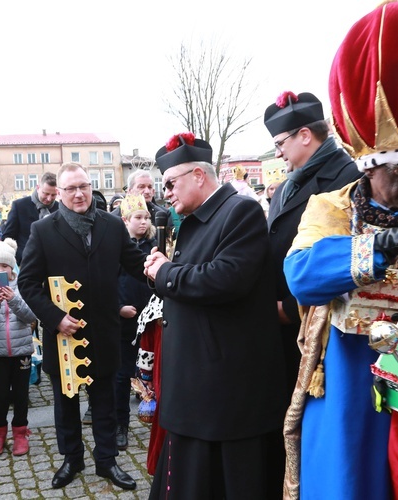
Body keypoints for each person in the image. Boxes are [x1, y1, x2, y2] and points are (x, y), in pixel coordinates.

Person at [282, 3, 398, 499]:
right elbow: (302, 275)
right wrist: (392, 241)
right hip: (348, 381)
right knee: (347, 482)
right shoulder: (331, 206)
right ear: (372, 167)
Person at [144, 133, 288, 499]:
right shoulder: (192, 219)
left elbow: (225, 279)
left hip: (225, 388)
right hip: (197, 384)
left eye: (171, 183)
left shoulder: (240, 211)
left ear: (198, 175)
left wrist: (164, 274)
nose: (167, 193)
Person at [18, 162, 146, 491]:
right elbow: (28, 283)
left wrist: (165, 271)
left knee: (104, 402)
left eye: (84, 186)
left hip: (103, 331)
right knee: (67, 403)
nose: (79, 194)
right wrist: (54, 317)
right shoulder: (43, 230)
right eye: (71, 188)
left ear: (91, 188)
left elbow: (136, 265)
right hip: (64, 334)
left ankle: (107, 461)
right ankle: (72, 459)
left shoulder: (112, 226)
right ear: (59, 193)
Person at [264, 90, 362, 394]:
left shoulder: (349, 176)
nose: (278, 153)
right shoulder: (287, 185)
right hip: (282, 319)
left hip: (321, 324)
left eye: (280, 143)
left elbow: (345, 256)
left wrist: (292, 309)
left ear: (304, 135)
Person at [0, 238, 36, 456]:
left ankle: (20, 432)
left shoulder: (23, 287)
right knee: (0, 395)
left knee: (21, 394)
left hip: (22, 350)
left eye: (4, 266)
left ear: (12, 266)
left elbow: (31, 317)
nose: (0, 270)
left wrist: (14, 301)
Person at [115, 194, 155, 451]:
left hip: (150, 320)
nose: (143, 222)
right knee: (122, 375)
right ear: (125, 220)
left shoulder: (155, 245)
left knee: (151, 372)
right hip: (125, 321)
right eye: (137, 218)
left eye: (146, 218)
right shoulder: (117, 247)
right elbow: (107, 281)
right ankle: (121, 425)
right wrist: (117, 307)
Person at [3, 172, 59, 265]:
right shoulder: (19, 206)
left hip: (52, 263)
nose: (49, 198)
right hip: (25, 262)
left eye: (53, 195)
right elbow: (8, 237)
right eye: (46, 193)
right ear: (38, 188)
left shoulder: (59, 208)